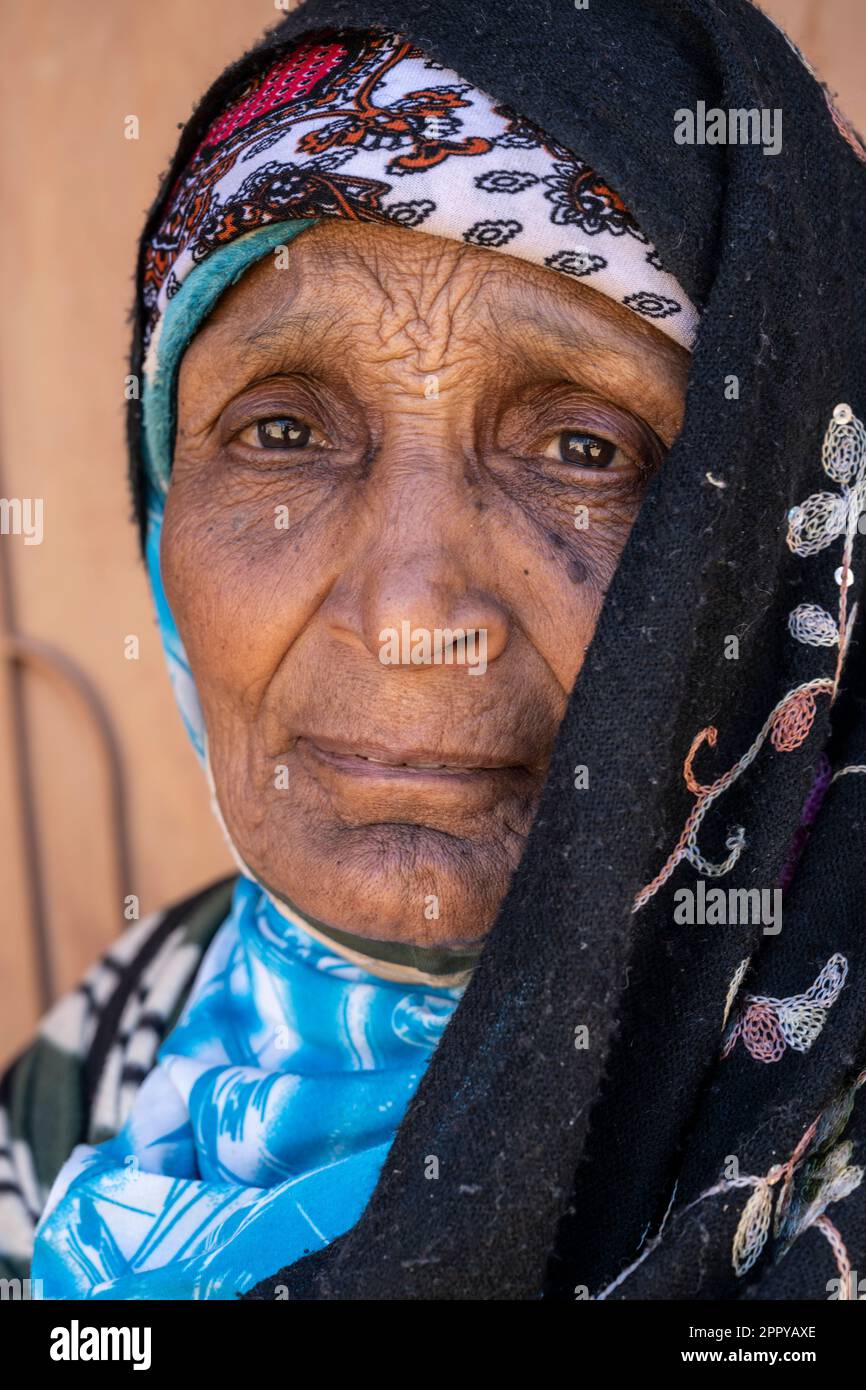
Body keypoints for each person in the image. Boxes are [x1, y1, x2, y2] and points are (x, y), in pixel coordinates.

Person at [2, 0, 865, 1301]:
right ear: (163, 513)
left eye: (584, 448)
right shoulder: (105, 1053)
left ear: (781, 530)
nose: (410, 611)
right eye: (282, 431)